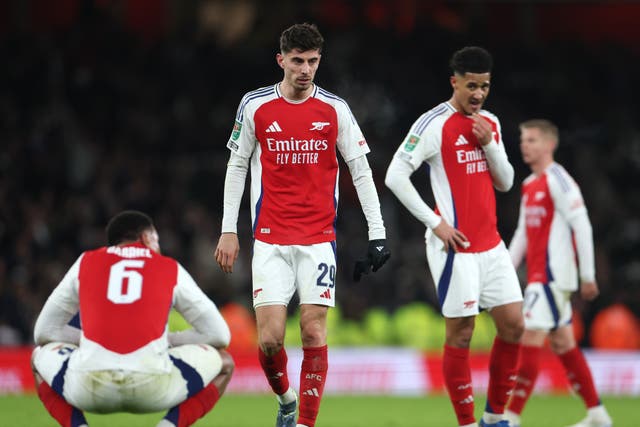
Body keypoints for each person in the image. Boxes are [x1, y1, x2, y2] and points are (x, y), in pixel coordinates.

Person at [214, 23, 390, 427]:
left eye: (312, 61)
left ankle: (306, 424)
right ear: (281, 61)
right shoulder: (255, 106)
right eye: (297, 61)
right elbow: (237, 165)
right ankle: (287, 401)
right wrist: (228, 228)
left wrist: (377, 233)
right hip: (270, 240)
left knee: (313, 332)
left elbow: (361, 171)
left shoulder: (335, 109)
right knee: (271, 339)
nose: (305, 69)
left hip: (317, 240)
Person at [385, 46, 523, 427]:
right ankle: (466, 422)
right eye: (471, 86)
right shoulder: (433, 124)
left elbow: (507, 182)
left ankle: (494, 418)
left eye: (485, 86)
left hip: (492, 246)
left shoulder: (489, 123)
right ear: (454, 82)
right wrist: (436, 223)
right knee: (462, 333)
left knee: (514, 325)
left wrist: (490, 145)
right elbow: (395, 175)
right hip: (455, 248)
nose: (478, 94)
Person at [32, 210, 234, 427]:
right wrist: (167, 340)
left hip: (90, 386)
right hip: (153, 386)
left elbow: (44, 332)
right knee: (225, 363)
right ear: (146, 237)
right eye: (156, 239)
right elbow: (219, 335)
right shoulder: (169, 267)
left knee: (37, 357)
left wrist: (87, 340)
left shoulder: (85, 262)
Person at [504, 120, 613, 427]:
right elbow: (522, 234)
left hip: (552, 279)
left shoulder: (559, 181)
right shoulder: (529, 185)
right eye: (524, 140)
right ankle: (598, 414)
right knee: (564, 344)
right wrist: (506, 271)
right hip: (540, 277)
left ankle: (511, 418)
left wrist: (588, 276)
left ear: (550, 145)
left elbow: (583, 226)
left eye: (533, 140)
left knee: (530, 340)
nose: (525, 145)